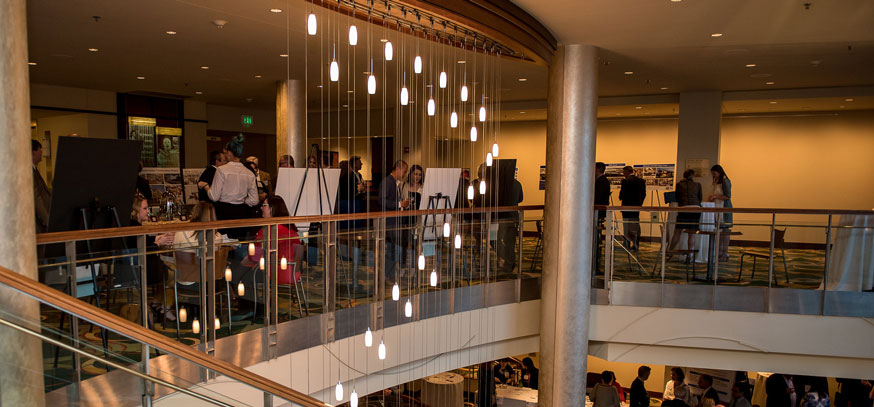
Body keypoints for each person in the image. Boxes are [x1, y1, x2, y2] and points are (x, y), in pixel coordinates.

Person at [199, 134, 259, 239]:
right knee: (240, 244)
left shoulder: (222, 170)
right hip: (242, 213)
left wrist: (206, 186)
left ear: (230, 153)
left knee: (224, 245)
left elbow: (214, 196)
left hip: (224, 212)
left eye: (226, 153)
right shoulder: (249, 173)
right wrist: (243, 200)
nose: (225, 155)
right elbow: (254, 200)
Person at [129, 194, 176, 320]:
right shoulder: (133, 227)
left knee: (167, 269)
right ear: (136, 211)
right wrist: (158, 242)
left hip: (141, 265)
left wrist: (157, 239)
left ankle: (156, 302)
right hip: (140, 269)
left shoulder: (133, 225)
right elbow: (141, 246)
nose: (147, 211)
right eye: (144, 208)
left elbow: (144, 241)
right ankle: (165, 307)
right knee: (172, 274)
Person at [248, 196, 303, 285]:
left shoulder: (268, 230)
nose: (261, 208)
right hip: (294, 274)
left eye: (264, 205)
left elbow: (255, 257)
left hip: (275, 274)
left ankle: (247, 298)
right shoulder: (291, 228)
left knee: (237, 268)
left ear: (272, 209)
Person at [378, 160, 409, 282]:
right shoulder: (387, 181)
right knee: (391, 248)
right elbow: (382, 201)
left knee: (394, 248)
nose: (405, 174)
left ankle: (391, 273)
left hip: (395, 221)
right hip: (390, 222)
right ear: (398, 168)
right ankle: (388, 274)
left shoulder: (395, 183)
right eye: (404, 171)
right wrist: (399, 204)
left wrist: (402, 204)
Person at [669, 169, 703, 257]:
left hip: (683, 208)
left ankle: (669, 252)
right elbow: (700, 198)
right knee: (692, 233)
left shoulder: (679, 185)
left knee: (677, 232)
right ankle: (689, 254)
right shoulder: (698, 185)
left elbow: (677, 197)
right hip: (696, 209)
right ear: (693, 176)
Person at [708, 164, 733, 261]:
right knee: (718, 231)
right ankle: (718, 252)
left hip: (724, 208)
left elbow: (728, 196)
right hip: (717, 207)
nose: (714, 176)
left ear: (719, 172)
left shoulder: (725, 181)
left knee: (725, 231)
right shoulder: (717, 181)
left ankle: (724, 252)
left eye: (714, 173)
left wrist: (715, 197)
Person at [619, 166, 646, 251]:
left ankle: (627, 242)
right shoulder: (641, 181)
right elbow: (643, 194)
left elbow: (622, 195)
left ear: (627, 172)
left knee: (626, 225)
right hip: (636, 206)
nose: (623, 174)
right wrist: (639, 203)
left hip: (626, 206)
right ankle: (636, 243)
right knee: (635, 225)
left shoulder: (625, 181)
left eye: (624, 172)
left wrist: (621, 197)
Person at [593, 162, 611, 273]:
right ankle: (594, 264)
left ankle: (596, 265)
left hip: (598, 214)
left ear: (598, 169)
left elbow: (597, 198)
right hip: (598, 213)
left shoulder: (602, 182)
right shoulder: (602, 181)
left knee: (596, 239)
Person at [32, 140, 51, 234]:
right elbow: (36, 198)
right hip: (39, 223)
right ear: (33, 152)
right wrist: (47, 220)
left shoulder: (35, 169)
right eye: (40, 150)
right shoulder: (29, 171)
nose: (42, 153)